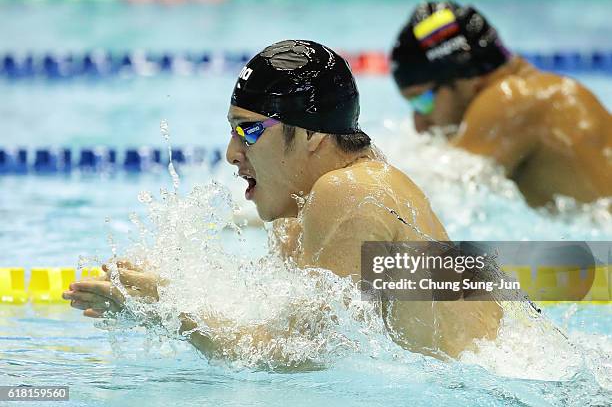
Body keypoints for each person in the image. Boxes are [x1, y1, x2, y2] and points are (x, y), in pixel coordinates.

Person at [63, 40, 501, 362]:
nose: (232, 153)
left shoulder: (348, 191)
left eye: (249, 130)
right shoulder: (306, 209)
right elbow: (284, 328)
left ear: (311, 134)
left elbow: (295, 356)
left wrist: (171, 308)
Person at [391, 1, 612, 207]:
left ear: (464, 80)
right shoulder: (541, 91)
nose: (419, 124)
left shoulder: (509, 101)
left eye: (422, 101)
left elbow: (436, 198)